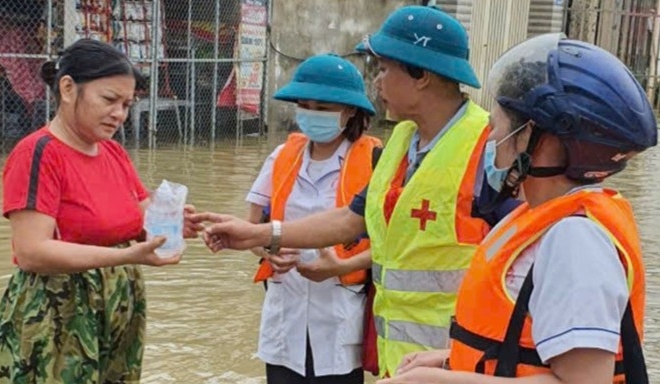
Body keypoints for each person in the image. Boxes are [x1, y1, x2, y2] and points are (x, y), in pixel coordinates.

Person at [192, 5, 521, 378]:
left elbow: (523, 260)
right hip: (397, 355)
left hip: (459, 361)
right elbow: (353, 218)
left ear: (421, 75)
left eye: (383, 69)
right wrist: (259, 233)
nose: (376, 83)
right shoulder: (402, 142)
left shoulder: (491, 148)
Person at [376, 33, 656, 384]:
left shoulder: (576, 239)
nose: (491, 139)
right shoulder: (537, 218)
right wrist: (449, 360)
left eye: (499, 126)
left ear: (541, 139)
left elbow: (584, 381)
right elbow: (525, 348)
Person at [0, 39, 201, 383]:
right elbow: (32, 252)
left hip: (118, 301)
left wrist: (175, 223)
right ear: (69, 88)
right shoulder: (38, 153)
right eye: (109, 100)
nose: (119, 114)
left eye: (127, 104)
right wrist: (127, 256)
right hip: (59, 310)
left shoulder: (112, 152)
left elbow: (139, 218)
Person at [246, 53, 381, 384]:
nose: (311, 115)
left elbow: (393, 246)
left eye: (323, 108)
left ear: (350, 111)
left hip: (340, 308)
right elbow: (252, 229)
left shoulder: (377, 160)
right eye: (304, 106)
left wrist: (342, 266)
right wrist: (268, 252)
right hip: (284, 307)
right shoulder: (282, 156)